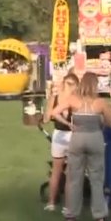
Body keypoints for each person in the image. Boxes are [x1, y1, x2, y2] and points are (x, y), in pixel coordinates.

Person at [52, 72, 111, 221]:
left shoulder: (73, 100)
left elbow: (54, 112)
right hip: (95, 138)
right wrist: (102, 124)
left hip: (77, 138)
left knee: (74, 178)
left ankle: (71, 216)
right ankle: (99, 217)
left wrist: (69, 125)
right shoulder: (100, 102)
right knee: (97, 179)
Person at [43, 73, 79, 213]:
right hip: (72, 136)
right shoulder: (74, 100)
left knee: (56, 172)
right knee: (70, 174)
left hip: (58, 136)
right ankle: (67, 206)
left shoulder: (55, 98)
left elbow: (48, 117)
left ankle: (51, 203)